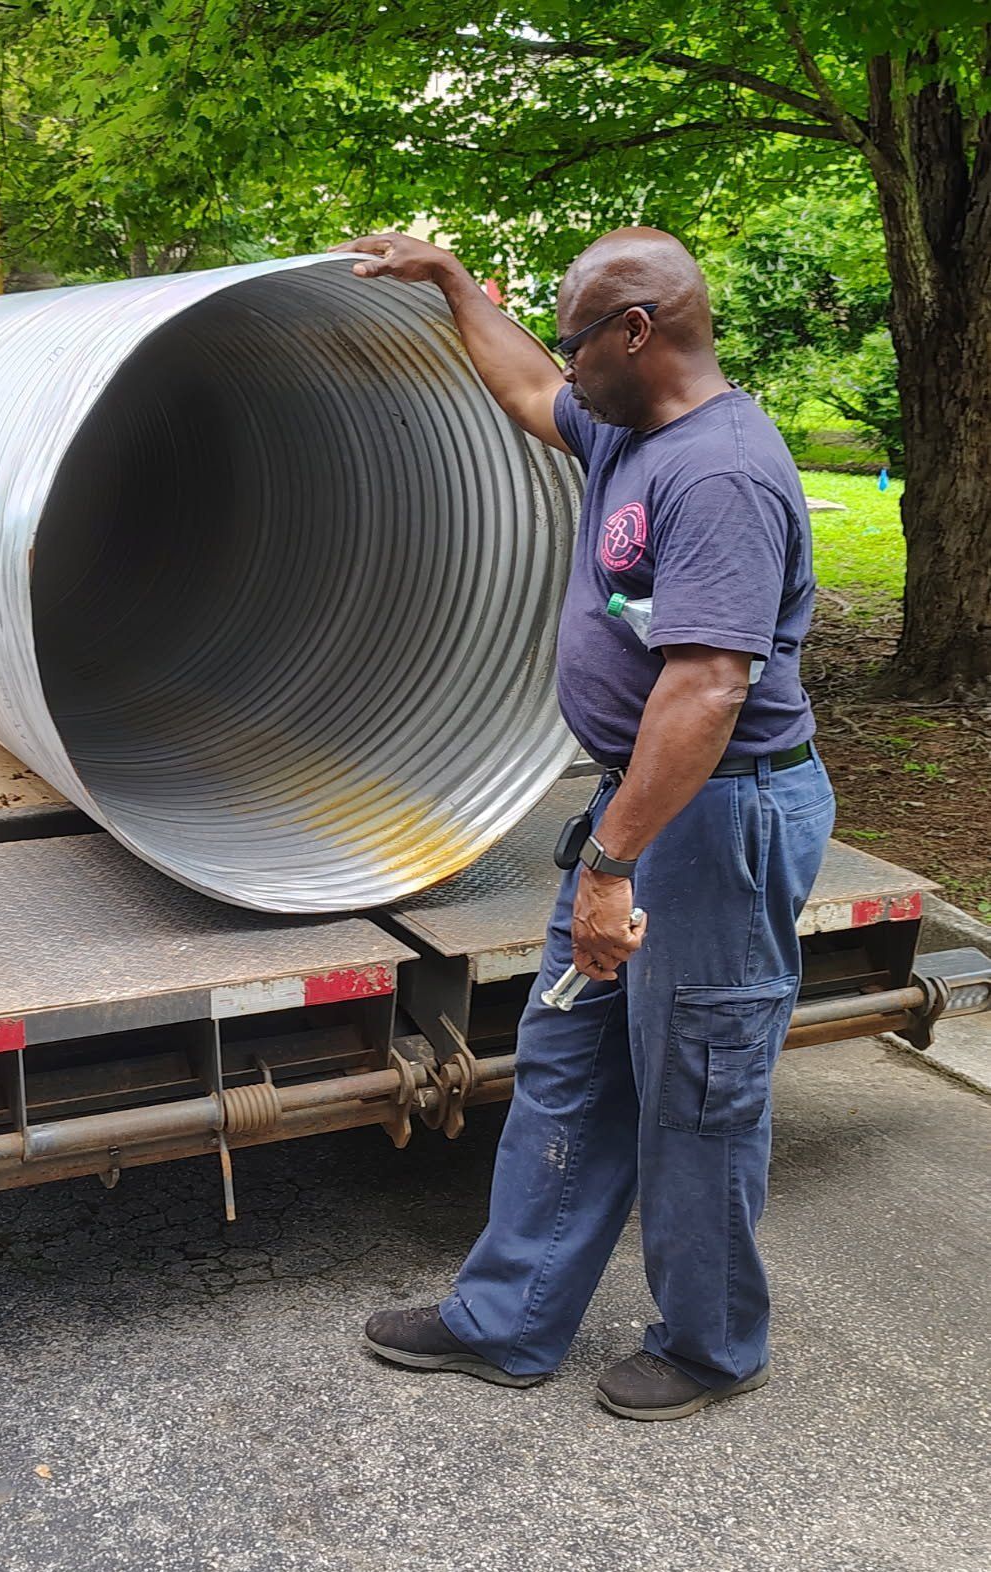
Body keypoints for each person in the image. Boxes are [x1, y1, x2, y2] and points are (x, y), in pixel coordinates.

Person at [329, 227, 835, 1422]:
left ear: (637, 332)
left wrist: (612, 863)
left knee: (698, 1087)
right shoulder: (625, 425)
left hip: (715, 821)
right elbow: (520, 388)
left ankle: (711, 1347)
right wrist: (452, 283)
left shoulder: (717, 474)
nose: (561, 364)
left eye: (576, 339)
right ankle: (507, 1321)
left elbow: (708, 687)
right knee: (570, 1061)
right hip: (645, 807)